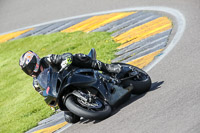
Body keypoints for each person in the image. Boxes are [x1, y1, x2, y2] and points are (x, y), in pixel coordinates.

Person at [19, 50, 122, 123]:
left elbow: (64, 56)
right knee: (70, 119)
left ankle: (108, 68)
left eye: (29, 68)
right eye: (26, 70)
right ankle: (88, 104)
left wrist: (65, 60)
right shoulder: (36, 83)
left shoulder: (48, 60)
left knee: (80, 57)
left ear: (35, 61)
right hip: (62, 92)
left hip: (71, 75)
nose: (29, 71)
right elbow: (44, 93)